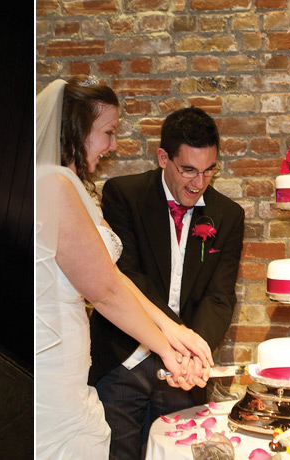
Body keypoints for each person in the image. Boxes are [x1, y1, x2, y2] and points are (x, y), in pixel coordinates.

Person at [36, 77, 214, 459]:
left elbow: (111, 276)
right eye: (108, 132)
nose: (113, 145)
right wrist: (168, 352)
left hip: (69, 348)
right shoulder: (52, 184)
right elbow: (105, 293)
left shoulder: (70, 184)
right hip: (55, 348)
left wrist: (176, 332)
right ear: (76, 129)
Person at [88, 107, 245, 460]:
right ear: (163, 158)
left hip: (185, 377)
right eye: (188, 169)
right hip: (123, 360)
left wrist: (193, 351)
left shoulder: (229, 215)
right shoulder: (123, 195)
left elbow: (219, 297)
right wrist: (176, 339)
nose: (198, 182)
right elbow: (127, 277)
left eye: (208, 170)